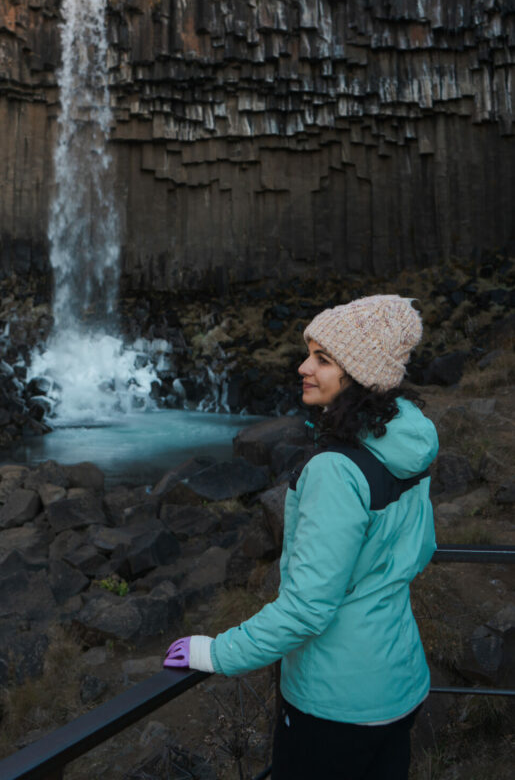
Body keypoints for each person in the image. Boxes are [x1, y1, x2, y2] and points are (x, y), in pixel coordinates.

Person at [163, 294, 438, 780]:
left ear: (360, 374)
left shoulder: (336, 470)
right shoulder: (406, 444)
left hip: (336, 702)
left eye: (323, 359)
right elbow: (422, 549)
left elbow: (308, 608)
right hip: (400, 682)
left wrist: (216, 652)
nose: (302, 367)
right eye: (310, 353)